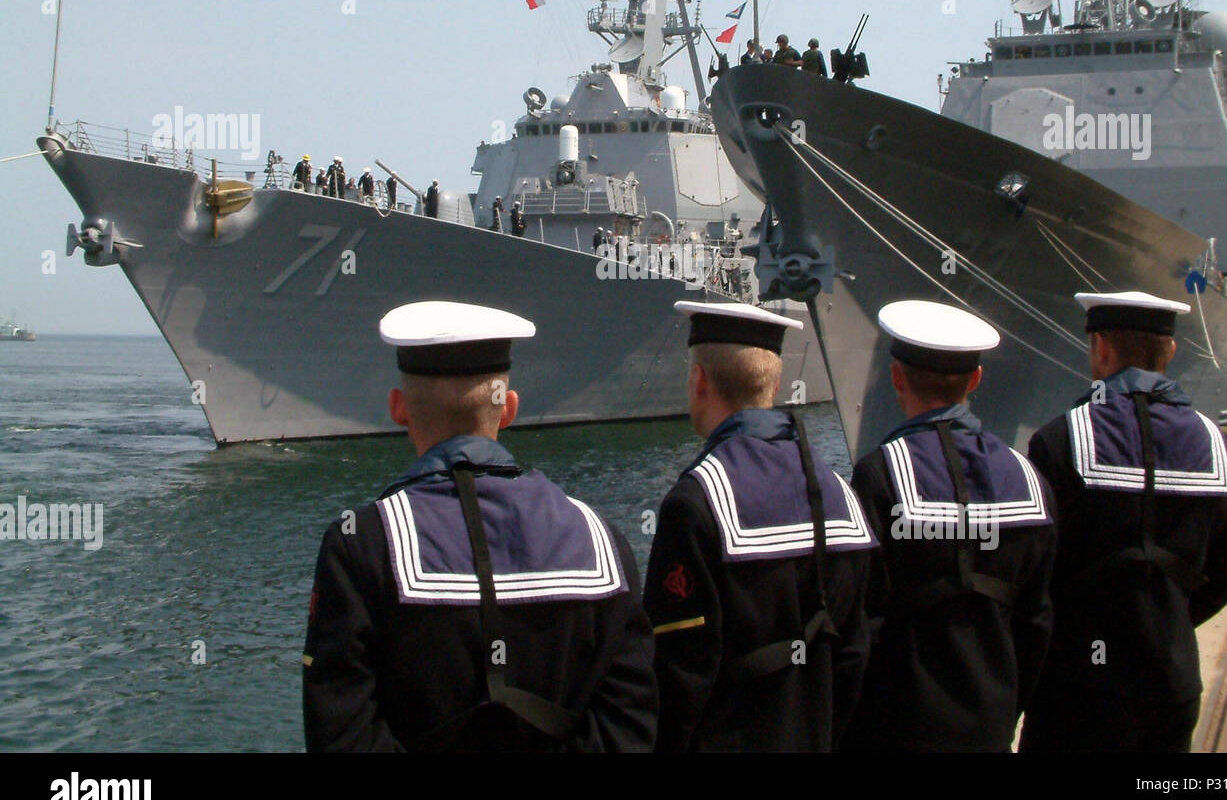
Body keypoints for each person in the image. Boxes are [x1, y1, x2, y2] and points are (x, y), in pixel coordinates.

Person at [302, 301, 658, 752]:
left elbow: (339, 731)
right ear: (508, 409)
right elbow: (630, 721)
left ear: (398, 408)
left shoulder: (360, 544)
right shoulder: (602, 540)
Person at [1019, 292, 1227, 753]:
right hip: (1171, 681)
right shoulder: (1225, 452)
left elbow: (1034, 578)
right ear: (1170, 352)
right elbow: (1220, 582)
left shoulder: (1058, 441)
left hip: (1074, 688)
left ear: (1101, 348)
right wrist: (1163, 621)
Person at [643, 301, 878, 752]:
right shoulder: (840, 495)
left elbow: (678, 677)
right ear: (773, 383)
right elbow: (854, 656)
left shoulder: (695, 504)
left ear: (699, 381)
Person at [840, 301, 1055, 753]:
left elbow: (859, 620)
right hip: (990, 722)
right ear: (975, 380)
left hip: (898, 726)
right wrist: (1007, 707)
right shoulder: (1029, 480)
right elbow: (1037, 622)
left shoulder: (880, 474)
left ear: (897, 377)